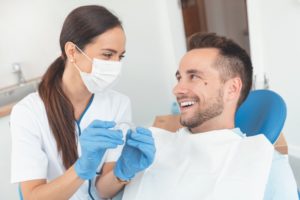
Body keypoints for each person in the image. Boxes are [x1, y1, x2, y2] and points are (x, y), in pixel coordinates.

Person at [121, 32, 298, 200]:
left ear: (232, 89)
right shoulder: (152, 151)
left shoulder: (267, 167)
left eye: (194, 77)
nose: (177, 90)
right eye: (179, 78)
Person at [10, 5, 155, 200]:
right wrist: (81, 168)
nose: (115, 65)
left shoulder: (118, 104)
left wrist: (123, 172)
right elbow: (32, 197)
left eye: (120, 56)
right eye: (107, 55)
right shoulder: (28, 112)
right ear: (72, 51)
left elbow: (102, 191)